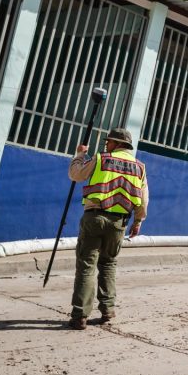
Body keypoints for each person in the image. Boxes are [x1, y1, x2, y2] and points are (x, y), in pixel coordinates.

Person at [66, 126, 148, 330]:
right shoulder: (139, 166)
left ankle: (80, 316)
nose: (106, 145)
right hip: (119, 222)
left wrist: (79, 155)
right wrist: (138, 221)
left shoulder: (101, 158)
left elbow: (76, 175)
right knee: (109, 264)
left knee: (86, 267)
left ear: (118, 144)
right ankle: (107, 310)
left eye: (109, 142)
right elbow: (143, 198)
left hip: (94, 217)